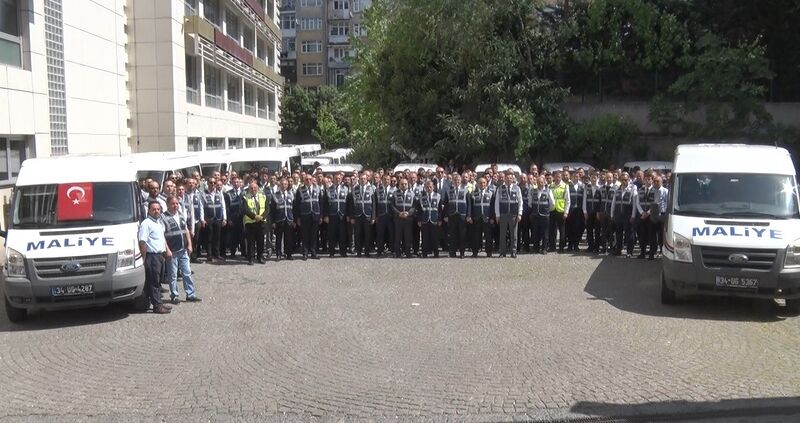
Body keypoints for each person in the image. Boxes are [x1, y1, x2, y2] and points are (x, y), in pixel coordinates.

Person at [163, 196, 200, 304]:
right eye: (173, 204)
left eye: (177, 204)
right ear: (168, 205)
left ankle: (191, 294)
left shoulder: (180, 215)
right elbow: (162, 235)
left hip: (183, 249)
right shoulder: (163, 218)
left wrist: (190, 244)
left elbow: (186, 230)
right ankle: (174, 296)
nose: (175, 206)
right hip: (172, 251)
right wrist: (167, 250)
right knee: (173, 275)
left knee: (187, 273)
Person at [138, 201, 172, 314]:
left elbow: (162, 238)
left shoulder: (158, 222)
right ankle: (157, 306)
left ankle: (158, 302)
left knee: (158, 281)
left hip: (160, 255)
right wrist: (143, 258)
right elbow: (142, 242)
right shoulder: (146, 223)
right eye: (154, 209)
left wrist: (166, 250)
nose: (156, 211)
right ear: (148, 210)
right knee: (154, 282)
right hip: (151, 257)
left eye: (158, 209)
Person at [494, 171, 523, 258]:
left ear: (513, 179)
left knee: (514, 234)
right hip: (503, 214)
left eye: (510, 178)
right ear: (505, 178)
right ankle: (502, 252)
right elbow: (497, 202)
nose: (509, 179)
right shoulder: (500, 188)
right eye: (507, 178)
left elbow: (520, 202)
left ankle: (513, 251)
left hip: (513, 215)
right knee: (502, 234)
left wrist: (520, 213)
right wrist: (497, 215)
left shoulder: (517, 188)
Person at [293, 175, 323, 260]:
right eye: (307, 179)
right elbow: (297, 205)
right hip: (305, 215)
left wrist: (321, 216)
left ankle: (313, 252)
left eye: (310, 179)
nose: (309, 181)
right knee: (305, 235)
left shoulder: (318, 189)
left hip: (315, 215)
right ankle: (305, 253)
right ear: (304, 181)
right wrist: (298, 217)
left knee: (314, 235)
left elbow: (321, 203)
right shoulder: (300, 190)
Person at [610, 172, 638, 256]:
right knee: (618, 233)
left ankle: (629, 251)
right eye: (622, 180)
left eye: (625, 180)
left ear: (629, 179)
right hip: (618, 215)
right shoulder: (617, 189)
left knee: (629, 234)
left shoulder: (633, 188)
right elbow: (613, 203)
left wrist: (633, 216)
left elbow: (634, 204)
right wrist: (612, 214)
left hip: (628, 215)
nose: (624, 181)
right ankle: (619, 249)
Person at [349, 173, 377, 257]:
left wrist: (373, 217)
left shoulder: (371, 188)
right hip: (358, 215)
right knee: (358, 235)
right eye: (361, 178)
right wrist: (352, 217)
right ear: (358, 179)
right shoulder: (355, 189)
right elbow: (352, 204)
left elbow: (374, 204)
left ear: (367, 179)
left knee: (367, 235)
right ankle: (358, 252)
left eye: (364, 178)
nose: (362, 180)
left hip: (368, 215)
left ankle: (367, 252)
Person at [243, 180, 269, 265]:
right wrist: (255, 217)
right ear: (249, 189)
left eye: (255, 188)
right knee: (250, 242)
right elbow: (245, 209)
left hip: (261, 222)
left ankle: (260, 257)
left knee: (260, 241)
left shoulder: (263, 196)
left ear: (258, 188)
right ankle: (251, 258)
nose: (253, 189)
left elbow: (267, 208)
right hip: (250, 222)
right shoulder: (245, 197)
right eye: (251, 188)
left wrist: (262, 217)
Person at [323, 173, 350, 257]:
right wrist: (326, 215)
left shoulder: (346, 189)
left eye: (339, 178)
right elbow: (325, 204)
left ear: (341, 179)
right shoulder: (328, 189)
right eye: (336, 178)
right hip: (332, 215)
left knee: (342, 234)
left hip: (342, 215)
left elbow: (349, 203)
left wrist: (348, 215)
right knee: (332, 234)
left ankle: (343, 252)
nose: (338, 180)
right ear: (333, 179)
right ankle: (331, 252)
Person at [202, 177, 227, 263]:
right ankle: (209, 255)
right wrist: (202, 219)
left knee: (217, 237)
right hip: (209, 218)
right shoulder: (204, 194)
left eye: (214, 183)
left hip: (218, 218)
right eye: (211, 183)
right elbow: (202, 207)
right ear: (207, 184)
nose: (212, 184)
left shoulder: (220, 194)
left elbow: (223, 206)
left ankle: (217, 254)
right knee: (209, 237)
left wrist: (225, 218)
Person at [467, 177, 494, 257]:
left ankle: (489, 252)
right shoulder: (473, 194)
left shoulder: (491, 193)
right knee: (476, 236)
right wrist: (469, 216)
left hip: (487, 218)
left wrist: (492, 217)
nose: (482, 184)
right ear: (477, 184)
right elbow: (470, 206)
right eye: (481, 183)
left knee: (488, 236)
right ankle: (475, 251)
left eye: (484, 183)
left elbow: (492, 207)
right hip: (476, 217)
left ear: (486, 184)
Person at [443, 173, 469, 258]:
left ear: (460, 180)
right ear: (452, 181)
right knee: (452, 234)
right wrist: (446, 215)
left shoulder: (465, 189)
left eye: (458, 180)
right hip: (451, 214)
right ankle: (452, 252)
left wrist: (468, 215)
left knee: (462, 234)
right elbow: (446, 204)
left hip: (462, 214)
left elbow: (468, 203)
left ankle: (462, 252)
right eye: (455, 180)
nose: (457, 181)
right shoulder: (448, 190)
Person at [528, 176, 555, 255]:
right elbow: (530, 202)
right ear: (537, 183)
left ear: (544, 182)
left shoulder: (548, 191)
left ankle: (544, 248)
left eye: (542, 182)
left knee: (545, 233)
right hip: (535, 215)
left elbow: (552, 203)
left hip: (545, 215)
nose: (540, 184)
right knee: (535, 232)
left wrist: (547, 210)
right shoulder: (533, 191)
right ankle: (536, 248)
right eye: (539, 182)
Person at [417, 180, 443, 258]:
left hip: (434, 219)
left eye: (430, 187)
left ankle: (436, 253)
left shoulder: (438, 196)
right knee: (425, 238)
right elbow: (419, 209)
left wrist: (439, 219)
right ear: (425, 187)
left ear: (433, 187)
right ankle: (424, 253)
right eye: (427, 187)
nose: (429, 188)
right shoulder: (421, 196)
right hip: (424, 219)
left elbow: (440, 209)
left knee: (434, 237)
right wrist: (419, 220)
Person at [271, 178, 295, 260]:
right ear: (279, 185)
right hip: (279, 219)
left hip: (289, 219)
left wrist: (294, 219)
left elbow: (294, 208)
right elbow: (272, 210)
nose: (283, 186)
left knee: (289, 238)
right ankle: (278, 254)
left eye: (285, 184)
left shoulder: (291, 194)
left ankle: (288, 254)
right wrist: (273, 221)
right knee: (278, 238)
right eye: (282, 184)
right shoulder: (275, 195)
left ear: (287, 185)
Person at [392, 178, 416, 258]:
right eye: (402, 184)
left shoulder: (412, 193)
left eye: (405, 184)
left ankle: (408, 252)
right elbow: (392, 206)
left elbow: (414, 206)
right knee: (397, 236)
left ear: (408, 184)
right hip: (398, 218)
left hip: (408, 219)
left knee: (408, 236)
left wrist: (409, 213)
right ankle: (398, 253)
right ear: (399, 185)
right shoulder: (395, 193)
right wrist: (399, 213)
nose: (404, 185)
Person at [636, 174, 658, 260]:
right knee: (642, 235)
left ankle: (651, 254)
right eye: (646, 179)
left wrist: (647, 213)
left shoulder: (655, 190)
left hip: (651, 216)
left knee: (652, 235)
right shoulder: (640, 190)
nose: (647, 181)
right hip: (642, 216)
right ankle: (642, 252)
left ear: (652, 180)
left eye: (649, 179)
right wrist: (642, 212)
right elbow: (637, 202)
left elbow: (656, 203)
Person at [223, 176, 246, 259]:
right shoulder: (228, 193)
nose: (236, 184)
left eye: (238, 182)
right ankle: (233, 252)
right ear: (232, 183)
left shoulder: (245, 192)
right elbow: (227, 208)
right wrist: (228, 219)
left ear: (240, 183)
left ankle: (244, 252)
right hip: (233, 218)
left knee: (243, 235)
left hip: (242, 217)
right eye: (234, 182)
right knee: (233, 236)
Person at [374, 173, 396, 256]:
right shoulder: (377, 190)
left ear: (390, 181)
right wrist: (375, 216)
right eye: (385, 179)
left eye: (388, 179)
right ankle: (380, 250)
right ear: (382, 180)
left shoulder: (395, 190)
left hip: (391, 216)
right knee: (380, 234)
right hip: (381, 215)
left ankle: (392, 249)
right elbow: (375, 203)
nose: (386, 181)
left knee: (392, 233)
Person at [548, 170, 570, 253]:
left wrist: (566, 212)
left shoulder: (565, 186)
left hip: (561, 210)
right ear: (554, 177)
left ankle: (561, 247)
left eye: (559, 177)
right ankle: (552, 246)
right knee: (552, 229)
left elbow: (568, 200)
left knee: (562, 230)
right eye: (556, 177)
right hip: (552, 209)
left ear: (561, 177)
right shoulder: (551, 186)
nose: (558, 178)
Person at [583, 172, 602, 253]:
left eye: (595, 178)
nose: (593, 179)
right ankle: (590, 246)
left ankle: (597, 247)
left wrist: (599, 212)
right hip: (589, 211)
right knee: (589, 230)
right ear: (590, 178)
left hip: (597, 213)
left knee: (597, 231)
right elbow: (584, 200)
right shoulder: (587, 187)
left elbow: (601, 202)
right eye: (592, 177)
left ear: (597, 178)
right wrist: (585, 211)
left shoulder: (600, 188)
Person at [566, 172, 585, 252]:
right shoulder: (568, 186)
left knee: (578, 228)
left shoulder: (582, 187)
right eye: (574, 176)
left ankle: (576, 245)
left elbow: (584, 199)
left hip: (579, 210)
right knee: (570, 228)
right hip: (571, 209)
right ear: (572, 177)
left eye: (577, 176)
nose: (576, 178)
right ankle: (570, 245)